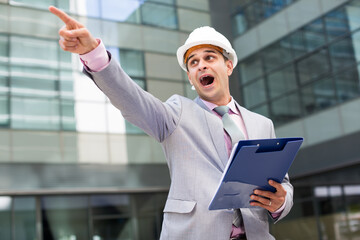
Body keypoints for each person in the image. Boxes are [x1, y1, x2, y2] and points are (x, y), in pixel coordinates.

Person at [49, 6, 293, 240]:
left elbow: (282, 184)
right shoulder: (176, 114)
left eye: (209, 57)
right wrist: (93, 54)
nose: (201, 65)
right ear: (190, 76)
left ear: (228, 66)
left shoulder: (262, 124)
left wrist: (281, 201)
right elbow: (132, 100)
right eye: (193, 63)